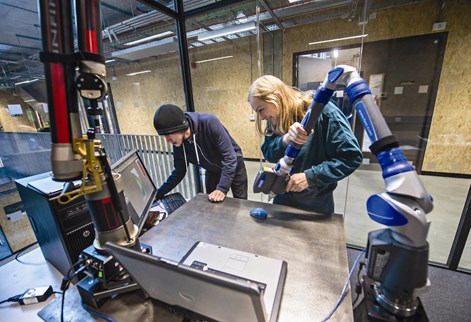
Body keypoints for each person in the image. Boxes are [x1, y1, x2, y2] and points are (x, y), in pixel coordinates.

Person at [248, 75, 362, 215]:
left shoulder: (322, 111)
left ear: (277, 97)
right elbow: (268, 152)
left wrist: (310, 177)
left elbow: (351, 157)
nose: (261, 117)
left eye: (261, 109)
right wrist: (286, 139)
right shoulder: (275, 118)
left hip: (315, 204)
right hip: (283, 198)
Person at [153, 104, 248, 203]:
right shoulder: (179, 142)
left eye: (168, 134)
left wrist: (222, 189)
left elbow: (230, 157)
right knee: (212, 205)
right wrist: (158, 193)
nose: (167, 140)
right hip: (212, 171)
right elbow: (179, 172)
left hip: (235, 165)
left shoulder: (209, 122)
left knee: (240, 204)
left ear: (179, 127)